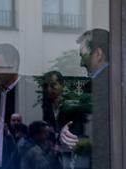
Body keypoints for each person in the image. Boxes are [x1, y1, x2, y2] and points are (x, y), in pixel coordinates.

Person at [60, 28, 110, 169]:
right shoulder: (100, 83)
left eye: (83, 56)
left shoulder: (107, 85)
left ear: (98, 54)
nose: (81, 63)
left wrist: (85, 143)